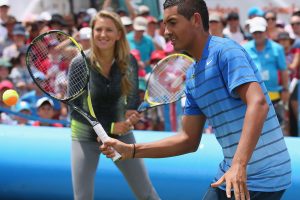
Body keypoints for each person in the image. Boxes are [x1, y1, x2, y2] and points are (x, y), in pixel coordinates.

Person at [100, 1, 292, 200]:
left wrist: (239, 164)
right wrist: (131, 150)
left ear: (196, 20)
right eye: (165, 24)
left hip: (265, 177)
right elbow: (188, 140)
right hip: (229, 174)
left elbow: (258, 103)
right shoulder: (191, 76)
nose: (166, 31)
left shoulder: (226, 51)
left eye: (173, 22)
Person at [70, 10, 160, 200]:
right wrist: (110, 126)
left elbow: (133, 99)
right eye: (99, 29)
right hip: (85, 135)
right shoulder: (79, 62)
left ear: (119, 34)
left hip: (121, 135)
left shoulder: (130, 61)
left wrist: (130, 115)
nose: (103, 35)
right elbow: (76, 109)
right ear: (92, 32)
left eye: (109, 30)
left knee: (146, 193)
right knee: (82, 197)